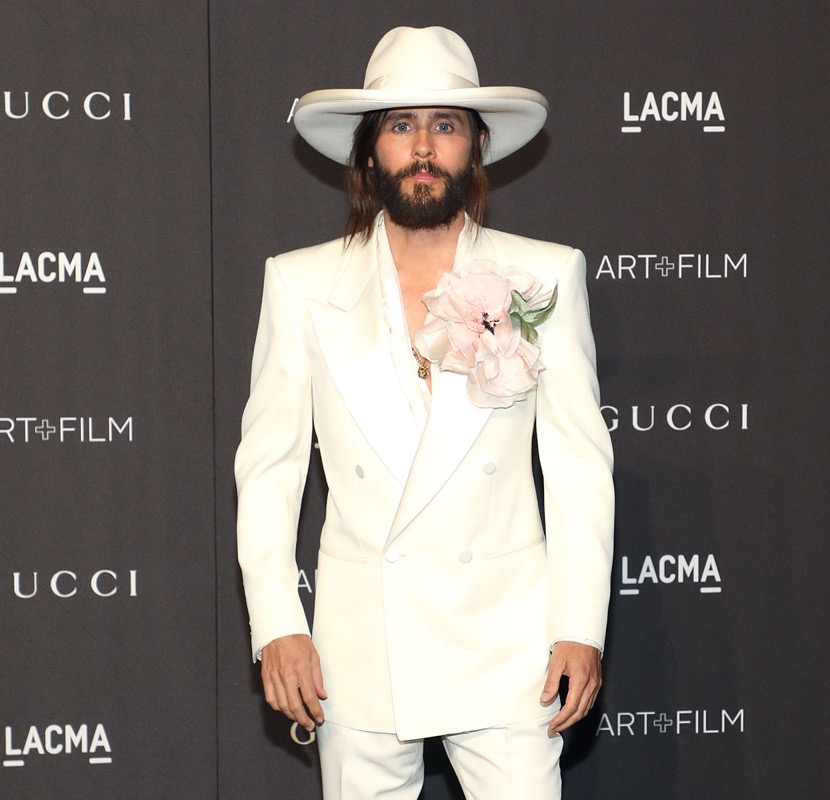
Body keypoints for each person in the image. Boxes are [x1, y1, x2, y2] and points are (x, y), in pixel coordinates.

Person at [235, 25, 614, 800]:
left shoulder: (542, 277)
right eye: (401, 125)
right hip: (361, 647)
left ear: (475, 148)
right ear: (369, 151)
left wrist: (581, 624)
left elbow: (577, 464)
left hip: (508, 644)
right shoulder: (299, 284)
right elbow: (269, 466)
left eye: (444, 125)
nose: (422, 147)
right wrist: (278, 621)